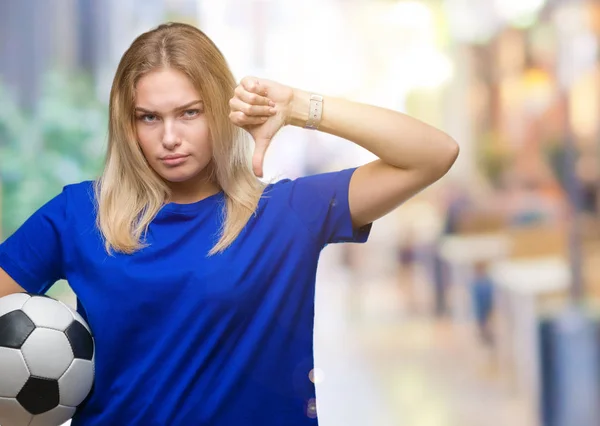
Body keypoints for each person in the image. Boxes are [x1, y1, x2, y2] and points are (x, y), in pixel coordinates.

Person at [0, 22, 459, 426]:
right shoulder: (82, 213)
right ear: (128, 124)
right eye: (149, 118)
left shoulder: (285, 213)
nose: (170, 138)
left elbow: (432, 154)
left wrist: (301, 106)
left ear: (220, 111)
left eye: (189, 112)